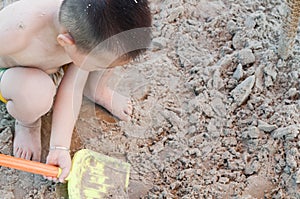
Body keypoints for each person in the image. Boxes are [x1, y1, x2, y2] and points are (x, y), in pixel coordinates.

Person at [0, 0, 152, 182]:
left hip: (66, 57)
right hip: (16, 74)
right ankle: (27, 123)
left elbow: (72, 87)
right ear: (66, 42)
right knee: (34, 95)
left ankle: (98, 90)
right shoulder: (15, 31)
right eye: (97, 66)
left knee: (113, 48)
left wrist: (59, 147)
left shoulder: (80, 24)